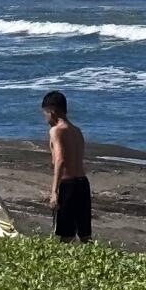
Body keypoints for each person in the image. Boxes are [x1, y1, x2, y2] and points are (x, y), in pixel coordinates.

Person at [41, 90, 89, 242]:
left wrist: (54, 191)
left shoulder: (56, 131)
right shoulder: (77, 131)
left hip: (68, 185)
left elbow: (60, 160)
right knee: (84, 233)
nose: (45, 117)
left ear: (52, 112)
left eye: (45, 113)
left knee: (66, 234)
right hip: (82, 183)